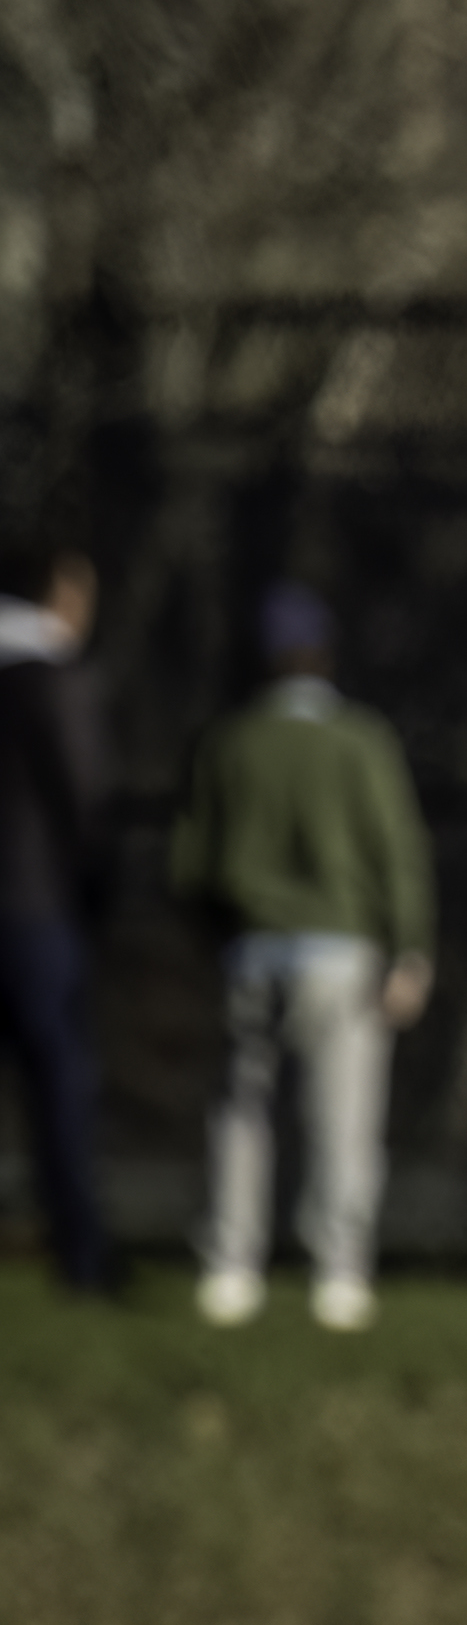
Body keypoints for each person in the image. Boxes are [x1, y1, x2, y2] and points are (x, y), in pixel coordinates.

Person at [172, 586, 432, 1331]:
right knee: (342, 1120)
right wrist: (411, 949)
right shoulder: (359, 741)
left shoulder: (229, 742)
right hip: (341, 952)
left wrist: (216, 933)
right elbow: (398, 854)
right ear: (324, 654)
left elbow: (190, 863)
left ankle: (230, 1268)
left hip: (249, 951)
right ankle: (340, 1275)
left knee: (241, 1114)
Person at [0, 518, 117, 1297]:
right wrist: (97, 893)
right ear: (64, 596)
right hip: (32, 912)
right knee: (58, 1081)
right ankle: (82, 1259)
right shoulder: (56, 681)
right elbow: (85, 802)